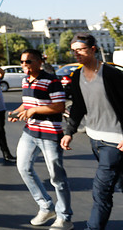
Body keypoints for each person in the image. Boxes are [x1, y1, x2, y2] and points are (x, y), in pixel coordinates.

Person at [61, 33, 123, 230]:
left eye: (80, 49)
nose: (76, 54)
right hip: (95, 139)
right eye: (73, 51)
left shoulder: (112, 74)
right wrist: (70, 131)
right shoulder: (77, 75)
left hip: (115, 141)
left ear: (93, 49)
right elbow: (79, 105)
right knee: (119, 183)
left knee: (101, 191)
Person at [10, 49, 72, 229]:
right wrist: (19, 112)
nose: (24, 65)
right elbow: (28, 103)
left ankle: (65, 217)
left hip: (50, 134)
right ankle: (46, 206)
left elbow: (59, 106)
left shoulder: (52, 80)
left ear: (39, 62)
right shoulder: (25, 80)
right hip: (30, 132)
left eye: (28, 62)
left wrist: (33, 111)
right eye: (22, 62)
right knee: (23, 168)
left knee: (57, 177)